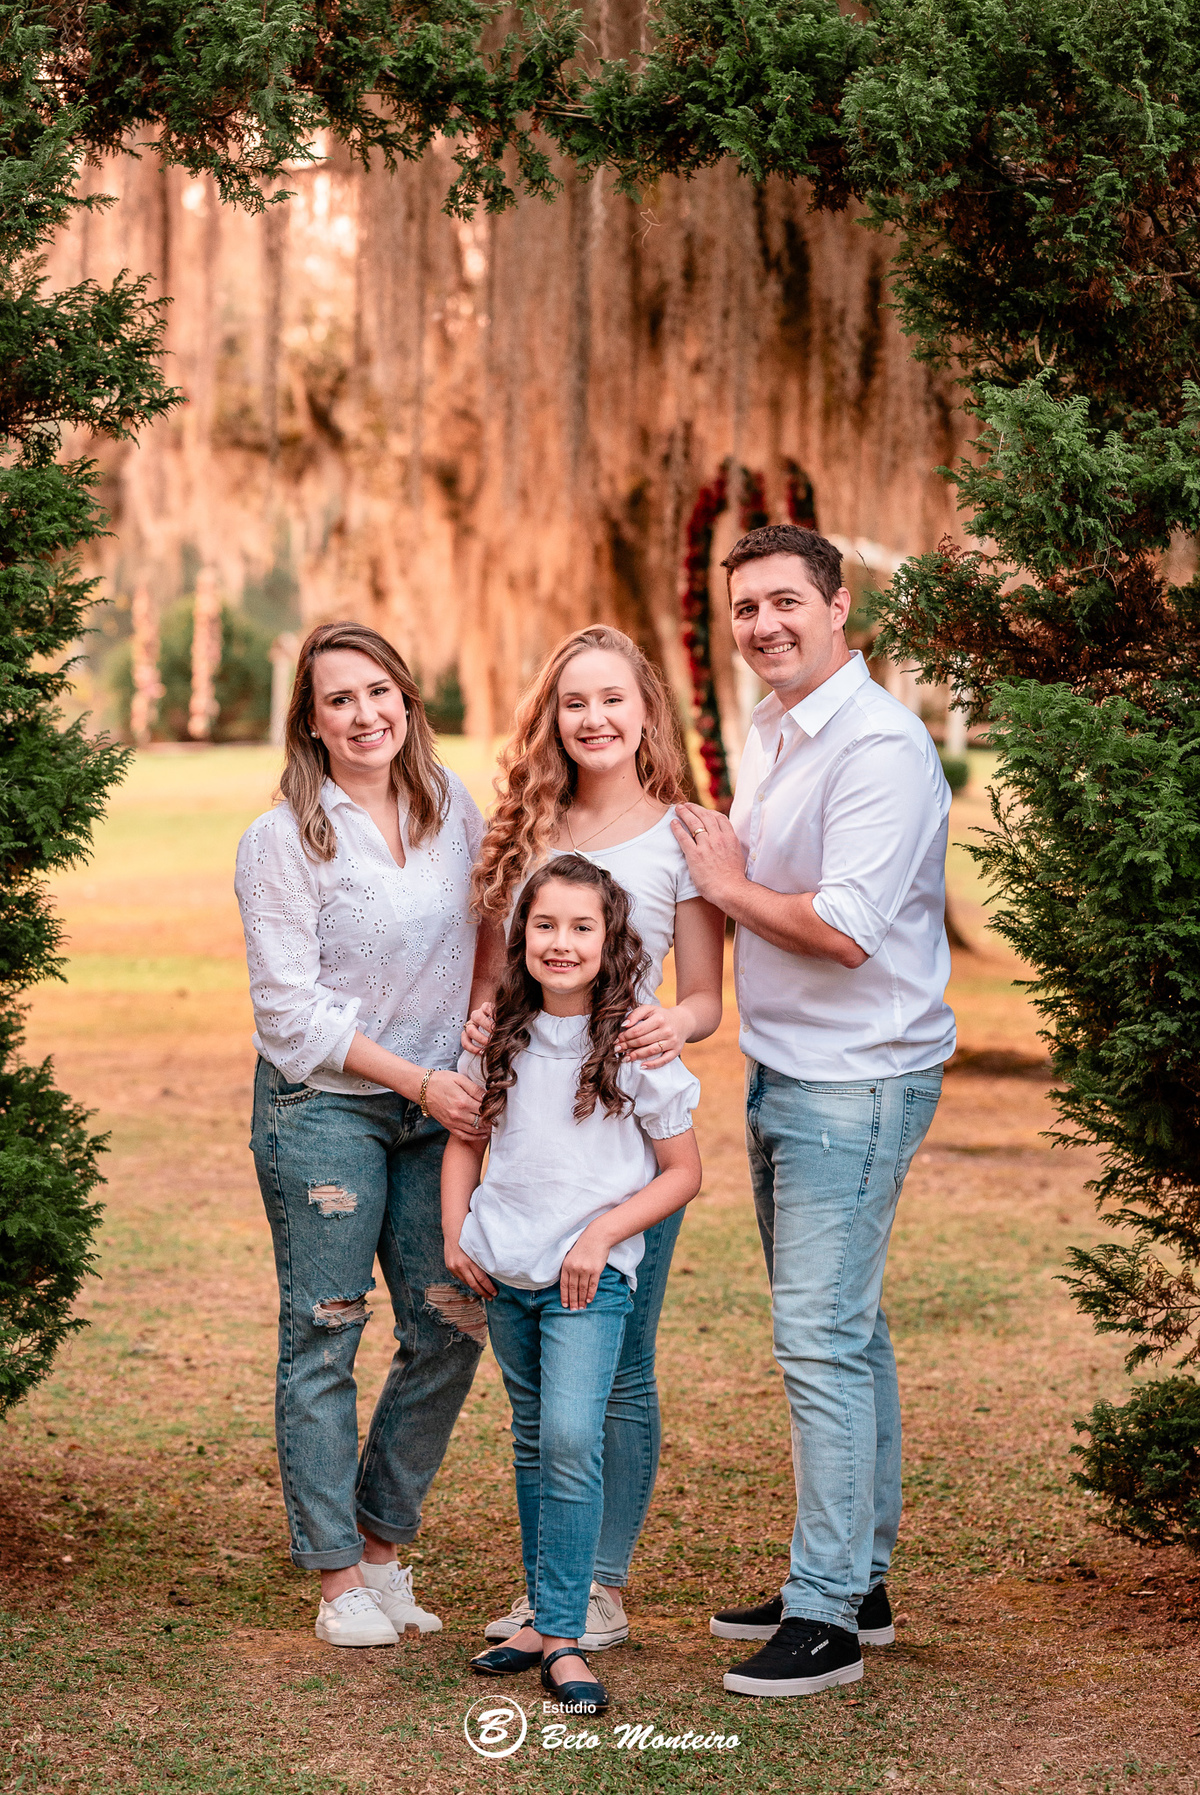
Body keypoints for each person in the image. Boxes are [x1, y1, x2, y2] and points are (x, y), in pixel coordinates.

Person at [672, 524, 956, 1698]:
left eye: (786, 601)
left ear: (843, 608)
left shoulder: (879, 747)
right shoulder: (778, 727)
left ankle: (828, 1612)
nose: (764, 626)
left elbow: (843, 931)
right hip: (789, 1069)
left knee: (820, 1340)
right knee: (849, 1327)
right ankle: (862, 1582)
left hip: (859, 1076)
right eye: (745, 609)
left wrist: (727, 883)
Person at [234, 621, 502, 1649]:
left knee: (450, 1318)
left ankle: (384, 1546)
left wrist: (470, 1053)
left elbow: (490, 924)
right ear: (311, 719)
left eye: (379, 692)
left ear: (407, 700)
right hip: (327, 1106)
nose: (364, 714)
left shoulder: (452, 807)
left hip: (442, 1105)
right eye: (339, 698)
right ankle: (337, 1574)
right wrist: (421, 1081)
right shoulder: (283, 838)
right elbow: (291, 1016)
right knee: (327, 1326)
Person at [466, 624, 724, 1649]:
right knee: (544, 1396)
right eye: (574, 701)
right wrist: (482, 1026)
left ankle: (600, 1584)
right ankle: (556, 1586)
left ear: (646, 710)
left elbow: (704, 996)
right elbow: (496, 978)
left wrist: (674, 1025)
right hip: (535, 1121)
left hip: (626, 1123)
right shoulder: (524, 828)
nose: (594, 719)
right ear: (552, 716)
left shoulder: (683, 838)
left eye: (613, 699)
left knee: (623, 1361)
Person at [442, 857, 702, 1712]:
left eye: (581, 927)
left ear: (610, 938)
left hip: (589, 1281)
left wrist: (600, 1234)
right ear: (521, 936)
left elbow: (682, 1171)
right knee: (532, 1438)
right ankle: (542, 1616)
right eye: (545, 925)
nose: (561, 942)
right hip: (506, 1272)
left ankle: (562, 1637)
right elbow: (465, 1140)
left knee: (568, 1439)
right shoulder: (498, 1032)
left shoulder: (632, 1040)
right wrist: (455, 1231)